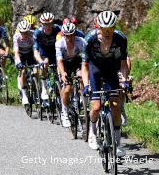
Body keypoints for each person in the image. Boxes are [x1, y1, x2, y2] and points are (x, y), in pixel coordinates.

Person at [82, 11, 129, 157]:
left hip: (110, 69)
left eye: (111, 28)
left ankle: (117, 143)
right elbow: (84, 65)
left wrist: (125, 80)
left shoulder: (121, 38)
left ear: (114, 27)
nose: (107, 32)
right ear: (99, 27)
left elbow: (123, 64)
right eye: (104, 29)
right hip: (94, 69)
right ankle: (93, 132)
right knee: (96, 106)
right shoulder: (89, 39)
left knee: (115, 106)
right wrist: (85, 85)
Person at [55, 23, 86, 127]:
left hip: (76, 61)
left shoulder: (80, 41)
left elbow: (85, 59)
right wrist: (63, 73)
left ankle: (82, 99)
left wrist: (83, 71)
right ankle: (64, 112)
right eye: (67, 35)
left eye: (72, 35)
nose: (70, 37)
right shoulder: (60, 43)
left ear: (75, 33)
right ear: (63, 35)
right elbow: (59, 61)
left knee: (82, 77)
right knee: (67, 88)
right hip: (64, 63)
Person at [33, 12, 61, 106]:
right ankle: (44, 89)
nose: (48, 26)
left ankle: (59, 87)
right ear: (42, 24)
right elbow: (35, 50)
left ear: (53, 23)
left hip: (55, 51)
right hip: (43, 51)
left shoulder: (58, 29)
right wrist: (40, 61)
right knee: (45, 63)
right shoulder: (38, 32)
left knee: (59, 69)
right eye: (45, 24)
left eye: (50, 23)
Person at [13, 20, 37, 105]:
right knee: (23, 71)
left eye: (26, 32)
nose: (25, 34)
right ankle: (24, 96)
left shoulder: (33, 34)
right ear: (19, 31)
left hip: (30, 53)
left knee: (36, 71)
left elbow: (35, 49)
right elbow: (16, 52)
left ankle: (36, 90)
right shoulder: (16, 36)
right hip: (20, 55)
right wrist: (19, 63)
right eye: (23, 32)